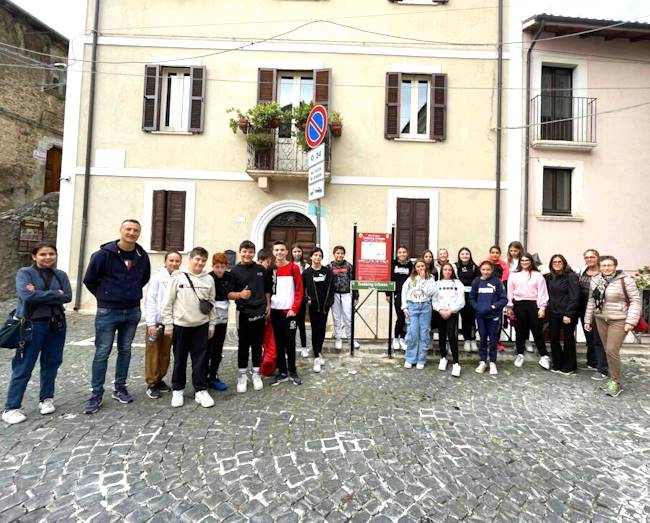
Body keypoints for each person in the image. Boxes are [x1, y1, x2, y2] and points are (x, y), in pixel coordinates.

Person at [82, 219, 151, 414]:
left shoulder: (141, 255)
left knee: (125, 350)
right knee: (102, 351)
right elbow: (90, 279)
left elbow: (143, 278)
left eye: (135, 230)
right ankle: (96, 393)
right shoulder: (103, 255)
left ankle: (120, 387)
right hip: (108, 311)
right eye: (128, 229)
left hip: (131, 310)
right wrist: (105, 295)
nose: (131, 233)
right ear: (121, 230)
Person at [2, 243, 72, 425]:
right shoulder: (25, 273)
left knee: (52, 363)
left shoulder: (61, 275)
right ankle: (11, 407)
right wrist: (55, 293)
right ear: (34, 256)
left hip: (56, 325)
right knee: (24, 365)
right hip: (32, 325)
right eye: (43, 254)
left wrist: (41, 293)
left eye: (51, 254)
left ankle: (46, 398)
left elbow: (68, 297)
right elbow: (26, 296)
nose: (48, 257)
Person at [162, 247, 216, 408]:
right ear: (190, 259)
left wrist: (211, 325)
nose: (200, 263)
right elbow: (167, 302)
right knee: (180, 359)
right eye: (197, 259)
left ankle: (200, 390)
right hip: (180, 326)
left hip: (201, 325)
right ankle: (178, 390)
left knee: (200, 360)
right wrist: (168, 325)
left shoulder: (209, 279)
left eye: (203, 260)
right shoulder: (178, 277)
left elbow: (211, 304)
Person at [584, 255, 641, 397]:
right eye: (603, 265)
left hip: (619, 320)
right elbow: (592, 301)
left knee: (611, 350)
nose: (606, 268)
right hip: (601, 319)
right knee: (606, 349)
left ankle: (616, 382)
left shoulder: (625, 280)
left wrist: (630, 322)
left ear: (615, 266)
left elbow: (635, 301)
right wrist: (587, 320)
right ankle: (612, 378)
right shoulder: (596, 280)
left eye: (609, 265)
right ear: (599, 266)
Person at [229, 240, 271, 393]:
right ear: (240, 252)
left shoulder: (261, 269)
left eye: (250, 251)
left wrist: (268, 305)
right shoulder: (234, 271)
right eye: (245, 251)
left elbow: (267, 289)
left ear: (254, 253)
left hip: (260, 311)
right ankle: (242, 375)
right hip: (243, 313)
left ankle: (256, 373)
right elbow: (229, 294)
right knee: (243, 344)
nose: (247, 254)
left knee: (257, 344)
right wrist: (240, 294)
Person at [143, 251, 181, 399]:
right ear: (165, 262)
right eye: (171, 260)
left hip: (170, 322)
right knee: (153, 353)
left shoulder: (180, 277)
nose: (174, 263)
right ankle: (151, 382)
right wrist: (150, 323)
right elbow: (151, 300)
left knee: (165, 353)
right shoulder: (157, 278)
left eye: (177, 261)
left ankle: (160, 379)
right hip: (157, 322)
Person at [506, 253, 551, 370]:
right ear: (519, 262)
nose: (525, 262)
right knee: (520, 331)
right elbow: (510, 292)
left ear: (531, 262)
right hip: (518, 304)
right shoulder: (514, 275)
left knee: (537, 330)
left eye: (527, 260)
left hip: (533, 304)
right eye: (522, 260)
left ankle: (544, 356)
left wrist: (542, 307)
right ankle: (520, 354)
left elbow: (542, 292)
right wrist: (509, 307)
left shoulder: (538, 276)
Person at [269, 241, 304, 386]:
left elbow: (299, 290)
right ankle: (282, 372)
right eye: (277, 250)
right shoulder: (271, 269)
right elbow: (268, 290)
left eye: (282, 250)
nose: (279, 252)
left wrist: (294, 309)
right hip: (275, 311)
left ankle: (293, 371)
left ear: (286, 251)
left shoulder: (293, 268)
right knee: (278, 343)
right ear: (273, 252)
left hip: (289, 312)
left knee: (290, 343)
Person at [545, 255, 580, 375]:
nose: (557, 263)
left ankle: (570, 366)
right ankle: (557, 363)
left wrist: (569, 314)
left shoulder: (571, 276)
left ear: (564, 263)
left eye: (560, 261)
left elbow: (575, 296)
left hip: (567, 314)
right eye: (554, 262)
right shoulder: (550, 277)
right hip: (554, 313)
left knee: (568, 339)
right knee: (553, 338)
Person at [470, 261, 507, 375]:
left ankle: (492, 362)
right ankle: (482, 361)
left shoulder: (497, 282)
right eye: (483, 269)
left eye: (488, 270)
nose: (486, 272)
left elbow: (503, 299)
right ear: (480, 270)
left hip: (493, 316)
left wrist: (493, 307)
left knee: (493, 339)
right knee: (482, 339)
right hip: (481, 316)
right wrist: (478, 308)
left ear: (492, 270)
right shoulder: (476, 282)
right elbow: (472, 298)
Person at [302, 247, 334, 373]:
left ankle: (318, 351)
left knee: (322, 330)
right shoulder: (306, 273)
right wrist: (307, 300)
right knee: (315, 330)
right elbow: (302, 289)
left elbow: (331, 288)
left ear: (322, 257)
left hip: (325, 306)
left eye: (319, 255)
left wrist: (330, 302)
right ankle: (316, 357)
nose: (317, 257)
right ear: (311, 257)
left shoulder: (327, 272)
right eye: (315, 255)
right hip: (313, 307)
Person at [431, 263, 466, 377]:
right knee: (441, 335)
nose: (447, 271)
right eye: (445, 269)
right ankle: (443, 357)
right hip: (440, 313)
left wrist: (450, 311)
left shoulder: (457, 283)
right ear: (442, 271)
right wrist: (440, 310)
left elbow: (461, 300)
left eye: (449, 270)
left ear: (452, 271)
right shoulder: (437, 284)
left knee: (452, 336)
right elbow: (434, 300)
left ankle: (456, 363)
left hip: (452, 313)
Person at [578, 249, 608, 380]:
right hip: (582, 306)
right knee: (588, 334)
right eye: (587, 257)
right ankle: (591, 361)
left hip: (598, 307)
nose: (589, 259)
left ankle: (600, 363)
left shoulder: (603, 272)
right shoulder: (582, 271)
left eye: (592, 257)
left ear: (597, 258)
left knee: (598, 336)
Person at [401, 259, 436, 369]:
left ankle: (421, 359)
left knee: (424, 333)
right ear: (415, 268)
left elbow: (430, 292)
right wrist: (404, 307)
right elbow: (404, 292)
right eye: (418, 266)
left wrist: (423, 279)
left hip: (425, 306)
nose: (420, 268)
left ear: (425, 267)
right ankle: (410, 358)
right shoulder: (410, 279)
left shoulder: (430, 278)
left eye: (422, 266)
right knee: (412, 332)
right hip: (412, 306)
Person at [207, 252, 233, 391]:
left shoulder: (229, 277)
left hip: (223, 319)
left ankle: (213, 375)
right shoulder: (208, 277)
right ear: (213, 266)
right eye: (217, 267)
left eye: (222, 267)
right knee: (207, 349)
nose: (220, 270)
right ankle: (203, 376)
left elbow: (230, 291)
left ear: (226, 267)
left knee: (218, 349)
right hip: (209, 318)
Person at [329, 245, 359, 350]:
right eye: (337, 253)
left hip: (346, 294)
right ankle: (338, 338)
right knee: (336, 317)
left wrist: (356, 296)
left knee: (348, 317)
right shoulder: (329, 266)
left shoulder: (349, 266)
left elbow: (354, 282)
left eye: (341, 253)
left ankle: (351, 339)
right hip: (334, 295)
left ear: (344, 254)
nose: (340, 255)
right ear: (334, 254)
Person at [386, 245, 413, 352]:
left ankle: (403, 338)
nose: (402, 254)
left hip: (408, 295)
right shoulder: (393, 264)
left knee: (407, 318)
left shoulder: (411, 265)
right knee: (400, 318)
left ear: (407, 254)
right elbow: (388, 278)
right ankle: (396, 338)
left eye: (404, 252)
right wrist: (388, 294)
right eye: (400, 252)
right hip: (397, 294)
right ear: (397, 254)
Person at [455, 247, 480, 353]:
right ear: (459, 256)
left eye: (467, 254)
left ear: (470, 255)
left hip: (473, 295)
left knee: (472, 318)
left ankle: (473, 339)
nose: (465, 256)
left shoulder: (474, 267)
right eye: (463, 254)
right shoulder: (456, 266)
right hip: (460, 295)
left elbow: (477, 279)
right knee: (464, 318)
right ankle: (466, 340)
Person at [485, 245, 508, 352]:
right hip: (485, 295)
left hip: (498, 296)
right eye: (492, 252)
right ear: (490, 253)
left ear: (499, 254)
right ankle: (485, 340)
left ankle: (496, 342)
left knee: (497, 320)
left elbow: (504, 280)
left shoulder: (503, 266)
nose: (494, 254)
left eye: (497, 253)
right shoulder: (485, 264)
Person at [291, 243, 309, 358]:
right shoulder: (289, 265)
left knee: (301, 324)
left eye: (299, 251)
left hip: (301, 298)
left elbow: (307, 283)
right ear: (291, 253)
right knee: (291, 325)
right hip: (290, 299)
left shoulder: (305, 266)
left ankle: (304, 347)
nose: (297, 253)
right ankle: (290, 347)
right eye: (295, 251)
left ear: (301, 253)